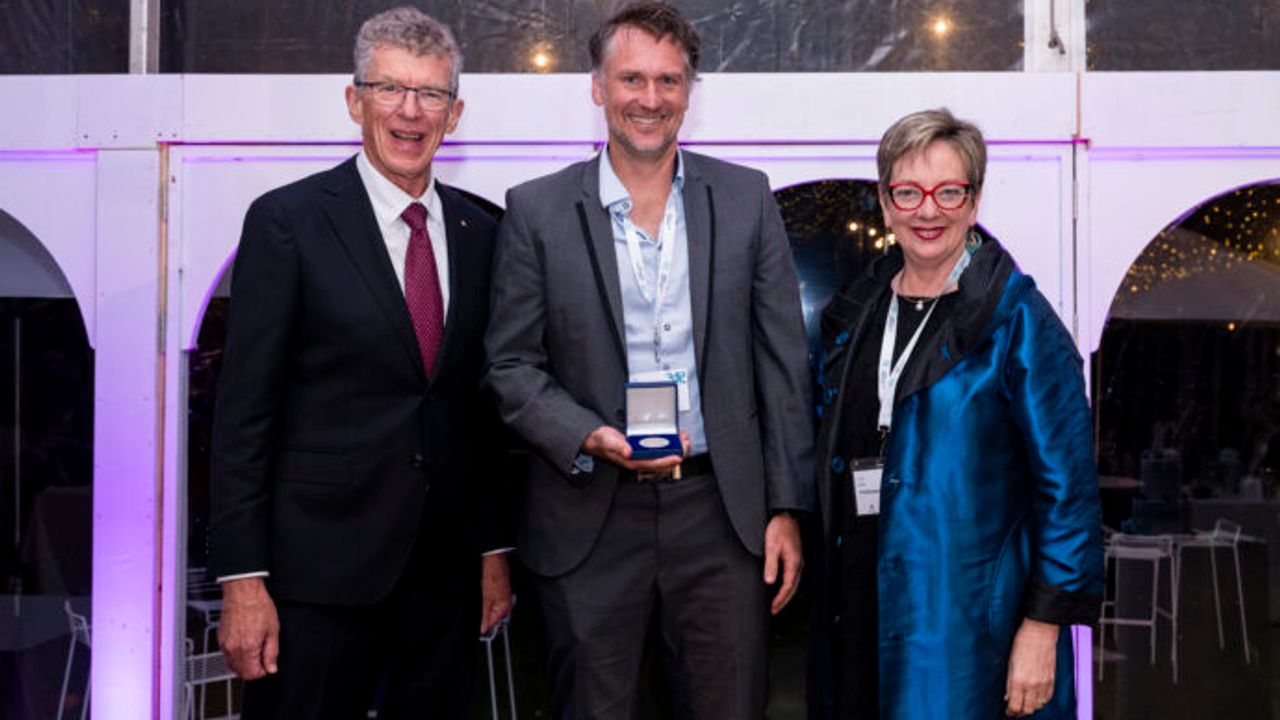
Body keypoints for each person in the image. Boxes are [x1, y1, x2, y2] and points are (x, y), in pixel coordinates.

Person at [483, 3, 814, 717]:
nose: (650, 99)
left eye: (668, 80)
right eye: (631, 78)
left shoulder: (745, 198)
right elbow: (510, 367)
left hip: (720, 515)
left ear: (689, 93)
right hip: (588, 514)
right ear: (597, 87)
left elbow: (782, 363)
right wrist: (588, 435)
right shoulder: (536, 212)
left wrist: (786, 508)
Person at [209, 7, 511, 717]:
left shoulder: (483, 233)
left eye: (431, 94)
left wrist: (492, 552)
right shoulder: (287, 222)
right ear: (355, 100)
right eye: (389, 89)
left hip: (442, 582)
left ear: (455, 112)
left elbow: (483, 411)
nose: (411, 112)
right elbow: (244, 413)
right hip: (313, 582)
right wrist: (243, 579)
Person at [808, 109, 1102, 719]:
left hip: (970, 631)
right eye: (908, 192)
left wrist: (1043, 627)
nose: (928, 210)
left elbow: (1068, 491)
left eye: (949, 191)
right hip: (860, 607)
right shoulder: (855, 314)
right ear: (886, 205)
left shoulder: (1018, 320)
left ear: (973, 202)